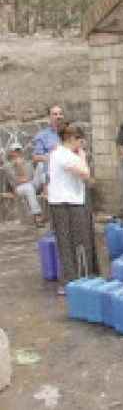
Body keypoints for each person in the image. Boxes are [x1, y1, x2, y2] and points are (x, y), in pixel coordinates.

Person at [47, 122, 93, 295]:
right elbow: (85, 174)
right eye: (80, 142)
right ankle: (72, 279)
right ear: (73, 139)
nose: (81, 146)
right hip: (67, 203)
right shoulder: (63, 154)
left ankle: (74, 278)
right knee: (71, 242)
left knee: (70, 242)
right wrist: (82, 156)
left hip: (66, 201)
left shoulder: (59, 153)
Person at [4, 143, 44, 226]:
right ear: (11, 153)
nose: (17, 152)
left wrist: (22, 166)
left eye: (19, 150)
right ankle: (37, 215)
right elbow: (15, 181)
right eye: (15, 151)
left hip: (31, 184)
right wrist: (19, 167)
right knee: (29, 188)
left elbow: (30, 177)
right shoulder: (8, 166)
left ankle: (48, 191)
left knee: (41, 165)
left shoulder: (27, 162)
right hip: (19, 188)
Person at [32, 105, 64, 190]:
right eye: (55, 114)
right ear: (49, 117)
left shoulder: (69, 133)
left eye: (60, 114)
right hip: (50, 173)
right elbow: (35, 158)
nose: (58, 116)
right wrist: (52, 155)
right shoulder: (43, 135)